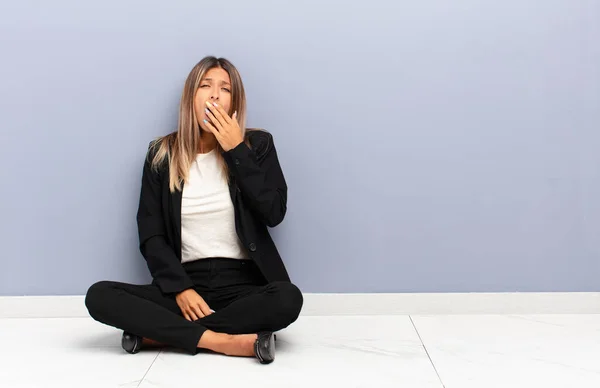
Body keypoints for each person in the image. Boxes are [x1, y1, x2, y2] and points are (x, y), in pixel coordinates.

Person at [85, 56, 303, 364]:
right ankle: (223, 341)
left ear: (234, 101)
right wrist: (181, 289)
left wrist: (235, 150)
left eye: (225, 89)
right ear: (191, 97)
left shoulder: (258, 145)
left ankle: (159, 335)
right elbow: (151, 235)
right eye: (205, 85)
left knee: (288, 299)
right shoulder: (161, 154)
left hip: (242, 287)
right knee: (99, 296)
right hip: (183, 286)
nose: (214, 95)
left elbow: (273, 212)